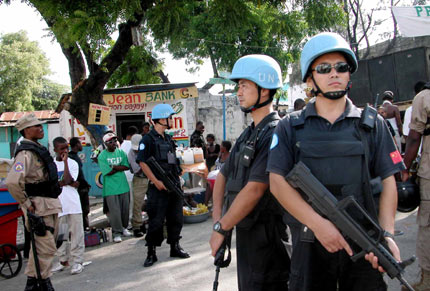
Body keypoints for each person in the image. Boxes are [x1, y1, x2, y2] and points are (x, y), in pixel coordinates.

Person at [268, 32, 404, 291]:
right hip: (310, 246)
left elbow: (389, 181)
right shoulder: (289, 126)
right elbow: (277, 182)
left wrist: (386, 235)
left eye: (341, 67)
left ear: (349, 74)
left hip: (364, 244)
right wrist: (319, 225)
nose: (334, 74)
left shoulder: (373, 124)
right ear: (310, 78)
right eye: (324, 68)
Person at [209, 54, 290, 290]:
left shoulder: (276, 132)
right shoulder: (249, 133)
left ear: (264, 90)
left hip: (268, 237)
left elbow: (256, 189)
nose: (239, 92)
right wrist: (218, 222)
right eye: (238, 86)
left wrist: (222, 228)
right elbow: (222, 176)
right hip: (245, 233)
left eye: (244, 85)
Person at [6, 113, 62, 290]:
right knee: (45, 246)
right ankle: (43, 282)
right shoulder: (25, 153)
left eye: (40, 125)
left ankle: (32, 284)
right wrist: (26, 204)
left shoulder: (37, 148)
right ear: (26, 130)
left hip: (49, 203)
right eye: (36, 126)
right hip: (38, 206)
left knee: (42, 247)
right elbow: (12, 182)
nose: (40, 128)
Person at [137, 104, 190, 267]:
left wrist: (179, 175)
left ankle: (175, 246)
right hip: (158, 188)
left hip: (173, 184)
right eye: (170, 117)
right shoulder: (147, 139)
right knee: (156, 221)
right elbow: (142, 162)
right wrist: (156, 181)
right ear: (161, 119)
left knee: (176, 218)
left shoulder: (168, 139)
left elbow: (173, 161)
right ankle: (151, 252)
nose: (172, 120)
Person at [402, 80, 430, 290]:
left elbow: (413, 138)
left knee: (427, 226)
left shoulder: (423, 98)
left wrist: (405, 168)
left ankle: (427, 280)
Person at [51, 137, 85, 275]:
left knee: (76, 234)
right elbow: (54, 184)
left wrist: (65, 163)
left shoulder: (72, 163)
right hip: (59, 206)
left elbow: (68, 180)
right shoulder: (51, 165)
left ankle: (77, 261)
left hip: (73, 205)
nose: (65, 151)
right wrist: (64, 182)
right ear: (55, 150)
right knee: (61, 235)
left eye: (66, 148)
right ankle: (62, 260)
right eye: (61, 149)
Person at [98, 132, 132, 243]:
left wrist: (113, 167)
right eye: (111, 141)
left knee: (125, 209)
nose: (114, 143)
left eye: (115, 140)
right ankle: (116, 232)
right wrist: (118, 168)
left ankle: (124, 228)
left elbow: (126, 166)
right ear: (106, 143)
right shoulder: (102, 156)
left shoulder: (121, 152)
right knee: (114, 212)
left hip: (123, 186)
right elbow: (107, 172)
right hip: (110, 188)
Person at [128, 133, 149, 237]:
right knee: (137, 204)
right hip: (139, 178)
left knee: (154, 201)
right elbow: (137, 170)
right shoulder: (131, 153)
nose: (137, 150)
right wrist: (144, 163)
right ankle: (137, 227)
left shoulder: (148, 148)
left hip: (150, 177)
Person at [69, 137, 91, 230]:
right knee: (83, 209)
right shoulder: (72, 157)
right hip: (79, 188)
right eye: (80, 143)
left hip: (81, 186)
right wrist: (84, 184)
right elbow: (78, 174)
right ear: (77, 144)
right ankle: (84, 228)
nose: (81, 145)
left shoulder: (74, 156)